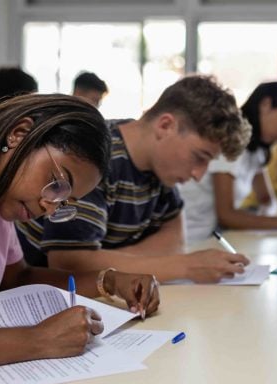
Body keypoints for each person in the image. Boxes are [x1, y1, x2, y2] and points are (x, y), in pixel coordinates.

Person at [16, 75, 252, 283]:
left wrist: (105, 258)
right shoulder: (94, 157)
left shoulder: (161, 169)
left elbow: (175, 241)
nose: (198, 174)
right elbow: (70, 263)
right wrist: (185, 266)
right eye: (199, 157)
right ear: (166, 126)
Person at [0, 94, 160, 365]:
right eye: (56, 183)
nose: (50, 208)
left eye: (64, 200)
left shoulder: (4, 209)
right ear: (20, 134)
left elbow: (16, 279)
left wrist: (107, 281)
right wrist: (37, 340)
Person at [179, 82, 277, 243]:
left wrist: (262, 217)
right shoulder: (231, 141)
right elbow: (227, 215)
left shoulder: (257, 151)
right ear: (265, 105)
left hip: (215, 238)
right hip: (192, 239)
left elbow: (267, 199)